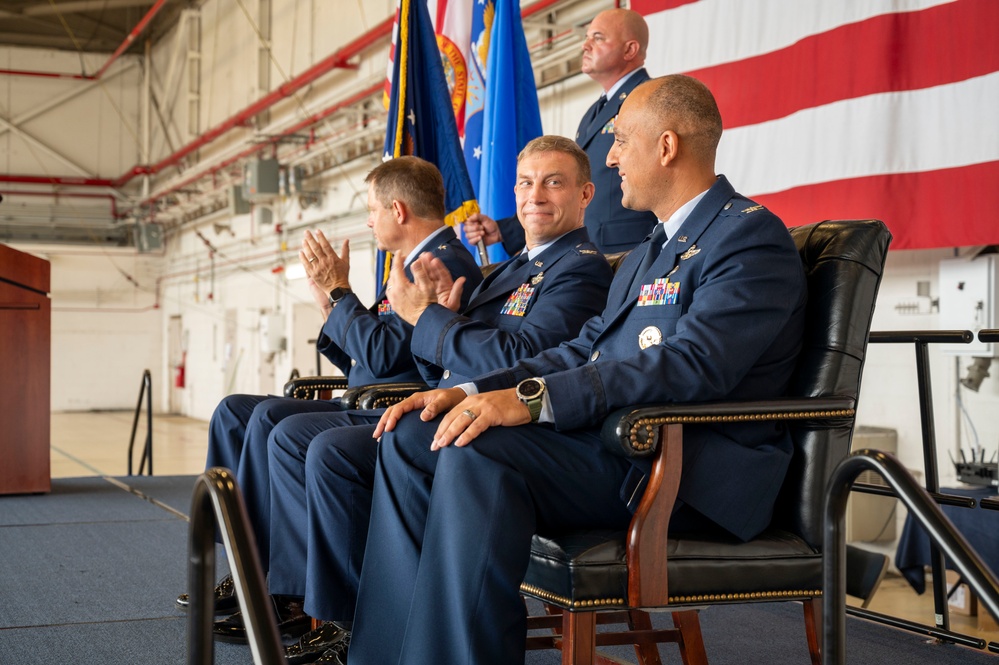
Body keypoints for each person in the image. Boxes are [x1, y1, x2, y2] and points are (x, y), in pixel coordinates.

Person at [343, 74, 809, 665]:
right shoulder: (647, 251)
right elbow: (584, 349)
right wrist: (467, 390)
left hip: (677, 466)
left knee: (472, 449)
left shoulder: (747, 238)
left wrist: (533, 401)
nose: (609, 156)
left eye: (619, 140)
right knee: (418, 434)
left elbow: (694, 366)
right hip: (613, 444)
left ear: (665, 148)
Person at [209, 137, 615, 657]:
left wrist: (428, 318)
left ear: (585, 194)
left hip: (510, 426)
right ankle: (305, 601)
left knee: (320, 447)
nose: (534, 194)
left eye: (552, 182)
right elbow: (443, 361)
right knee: (292, 434)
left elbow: (521, 357)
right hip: (452, 405)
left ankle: (342, 622)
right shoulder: (514, 267)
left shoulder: (578, 267)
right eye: (525, 182)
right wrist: (438, 322)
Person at [176, 156, 483, 619]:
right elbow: (366, 353)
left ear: (398, 211)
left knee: (268, 422)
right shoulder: (410, 261)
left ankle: (287, 592)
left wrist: (341, 293)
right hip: (367, 394)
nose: (368, 220)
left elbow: (382, 355)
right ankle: (252, 566)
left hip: (395, 405)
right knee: (234, 410)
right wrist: (329, 305)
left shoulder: (439, 265)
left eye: (372, 209)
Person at [465, 8, 657, 255]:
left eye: (597, 38)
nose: (585, 46)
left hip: (630, 251)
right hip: (592, 253)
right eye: (587, 37)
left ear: (630, 50)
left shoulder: (648, 100)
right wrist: (506, 231)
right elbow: (575, 187)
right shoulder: (594, 112)